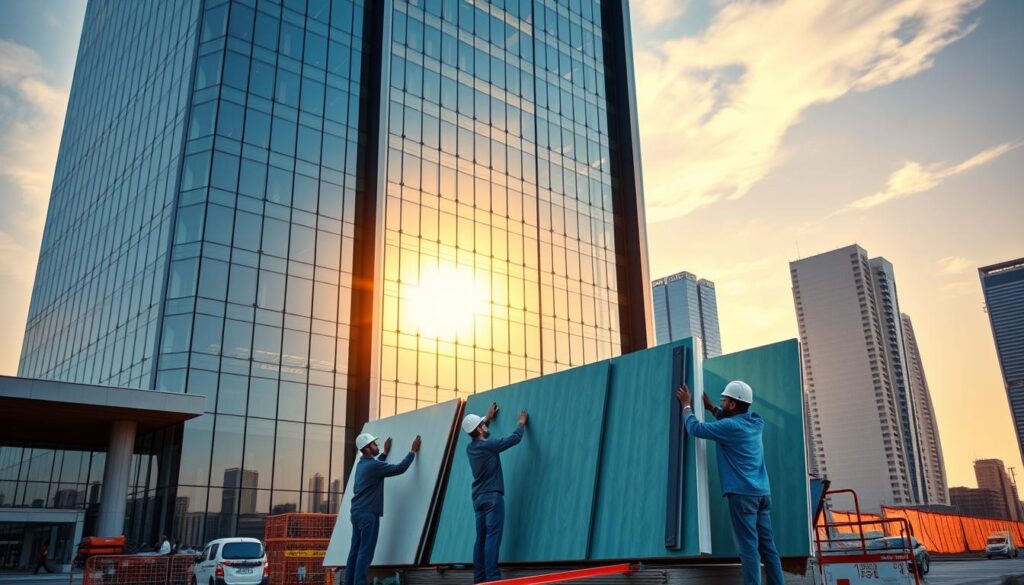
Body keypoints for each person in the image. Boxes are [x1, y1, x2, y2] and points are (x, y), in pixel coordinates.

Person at [676, 381, 784, 585]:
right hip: (762, 494)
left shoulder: (730, 426)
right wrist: (712, 409)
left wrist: (686, 405)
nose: (721, 402)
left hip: (742, 495)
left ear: (733, 405)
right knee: (768, 548)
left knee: (749, 549)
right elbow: (730, 422)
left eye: (724, 400)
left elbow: (695, 428)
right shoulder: (756, 421)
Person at [461, 402, 528, 584]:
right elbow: (514, 439)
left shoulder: (471, 448)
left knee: (480, 538)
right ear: (480, 429)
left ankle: (479, 578)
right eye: (483, 424)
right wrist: (521, 423)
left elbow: (479, 433)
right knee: (492, 537)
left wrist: (487, 418)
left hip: (478, 498)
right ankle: (492, 579)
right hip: (492, 497)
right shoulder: (488, 445)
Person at [344, 433, 421, 585]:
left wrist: (384, 454)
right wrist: (412, 451)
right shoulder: (372, 466)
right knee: (365, 551)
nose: (377, 446)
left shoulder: (362, 465)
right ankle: (359, 582)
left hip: (357, 512)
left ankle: (349, 582)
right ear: (367, 449)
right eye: (374, 444)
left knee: (355, 550)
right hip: (368, 514)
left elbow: (376, 467)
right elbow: (400, 468)